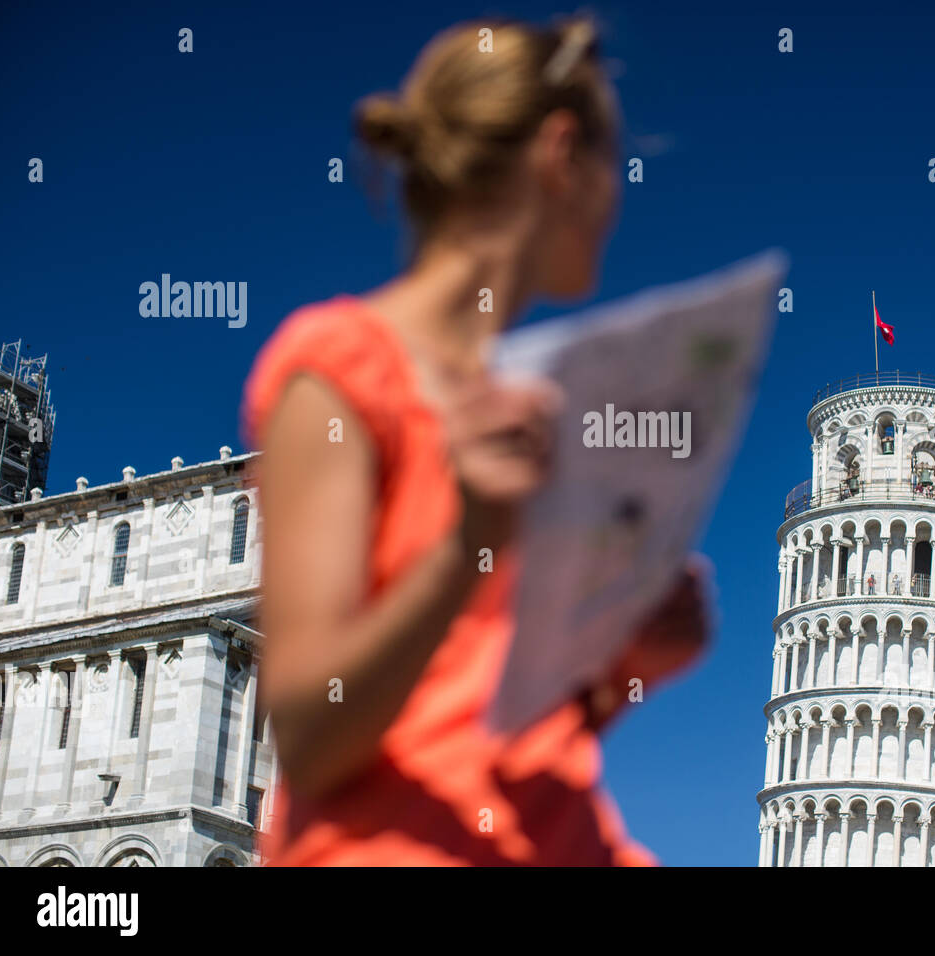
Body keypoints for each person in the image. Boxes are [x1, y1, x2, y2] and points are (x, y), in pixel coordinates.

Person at [242, 17, 708, 866]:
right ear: (562, 154)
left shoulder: (527, 406)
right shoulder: (341, 368)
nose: (620, 196)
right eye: (615, 164)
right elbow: (310, 730)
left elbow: (474, 707)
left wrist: (626, 659)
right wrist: (468, 542)